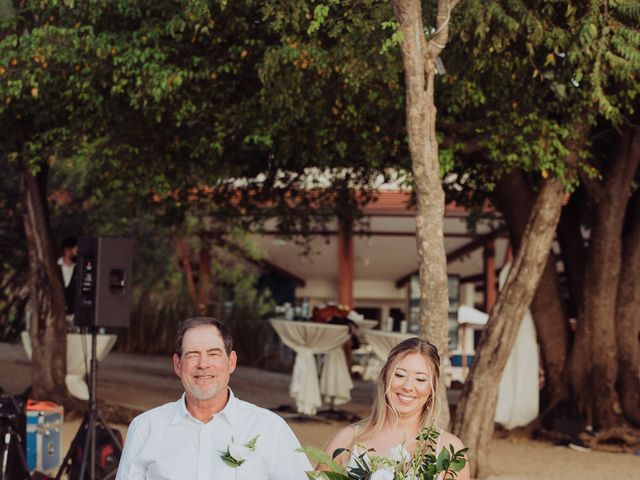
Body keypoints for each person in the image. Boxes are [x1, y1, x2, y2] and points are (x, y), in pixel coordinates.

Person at [115, 317, 312, 480]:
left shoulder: (269, 428)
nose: (203, 364)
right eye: (192, 354)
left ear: (231, 362)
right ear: (177, 365)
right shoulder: (145, 427)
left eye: (213, 354)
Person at [321, 337, 470, 480]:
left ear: (432, 388)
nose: (407, 386)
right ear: (385, 377)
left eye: (420, 379)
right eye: (399, 375)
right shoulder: (347, 440)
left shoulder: (450, 449)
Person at [58, 237, 78, 323]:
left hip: (73, 315)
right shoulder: (55, 268)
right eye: (75, 250)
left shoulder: (78, 269)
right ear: (67, 250)